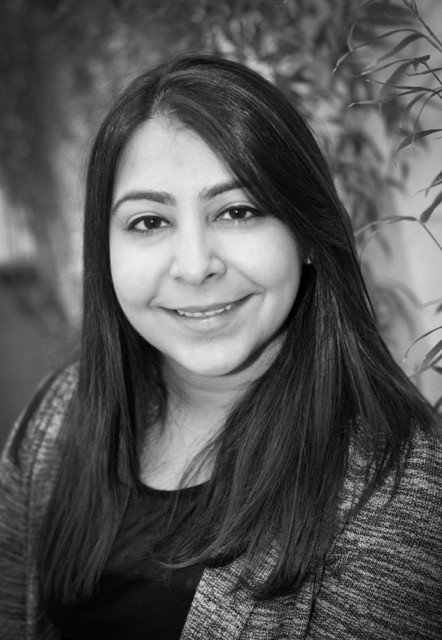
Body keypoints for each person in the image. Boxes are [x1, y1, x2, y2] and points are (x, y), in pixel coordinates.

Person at [0, 53, 441, 640]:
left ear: (309, 234)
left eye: (237, 211)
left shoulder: (399, 485)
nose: (194, 266)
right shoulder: (58, 415)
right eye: (149, 222)